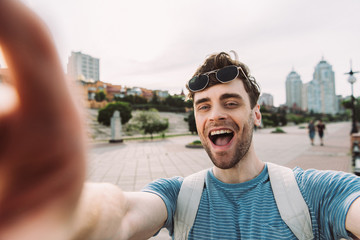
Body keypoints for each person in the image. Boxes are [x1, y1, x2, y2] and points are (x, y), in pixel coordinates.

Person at [0, 1, 359, 240]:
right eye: (203, 106)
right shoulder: (178, 196)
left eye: (230, 102)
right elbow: (121, 214)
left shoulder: (314, 192)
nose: (215, 114)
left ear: (256, 113)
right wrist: (59, 211)